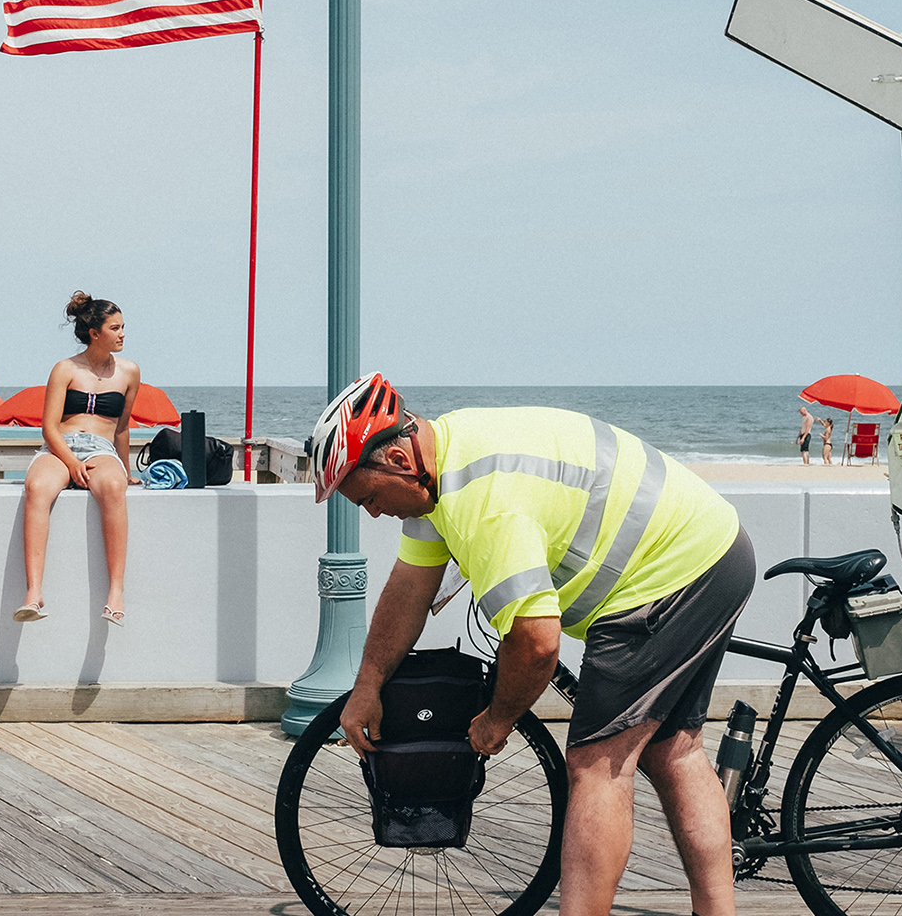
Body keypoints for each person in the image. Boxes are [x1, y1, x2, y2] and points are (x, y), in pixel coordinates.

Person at [317, 373, 754, 916]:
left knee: (596, 766)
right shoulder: (444, 465)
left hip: (664, 576)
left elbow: (537, 643)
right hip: (712, 547)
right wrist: (368, 683)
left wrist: (497, 720)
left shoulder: (483, 503)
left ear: (401, 462)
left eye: (369, 498)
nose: (373, 513)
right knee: (674, 751)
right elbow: (409, 588)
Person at [15, 292, 141, 626]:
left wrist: (126, 471)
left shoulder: (129, 372)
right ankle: (33, 593)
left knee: (114, 488)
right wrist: (70, 461)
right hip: (61, 446)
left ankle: (115, 593)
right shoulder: (66, 368)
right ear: (95, 333)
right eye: (115, 328)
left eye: (123, 327)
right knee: (37, 487)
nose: (123, 334)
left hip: (101, 449)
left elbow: (123, 428)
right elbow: (48, 427)